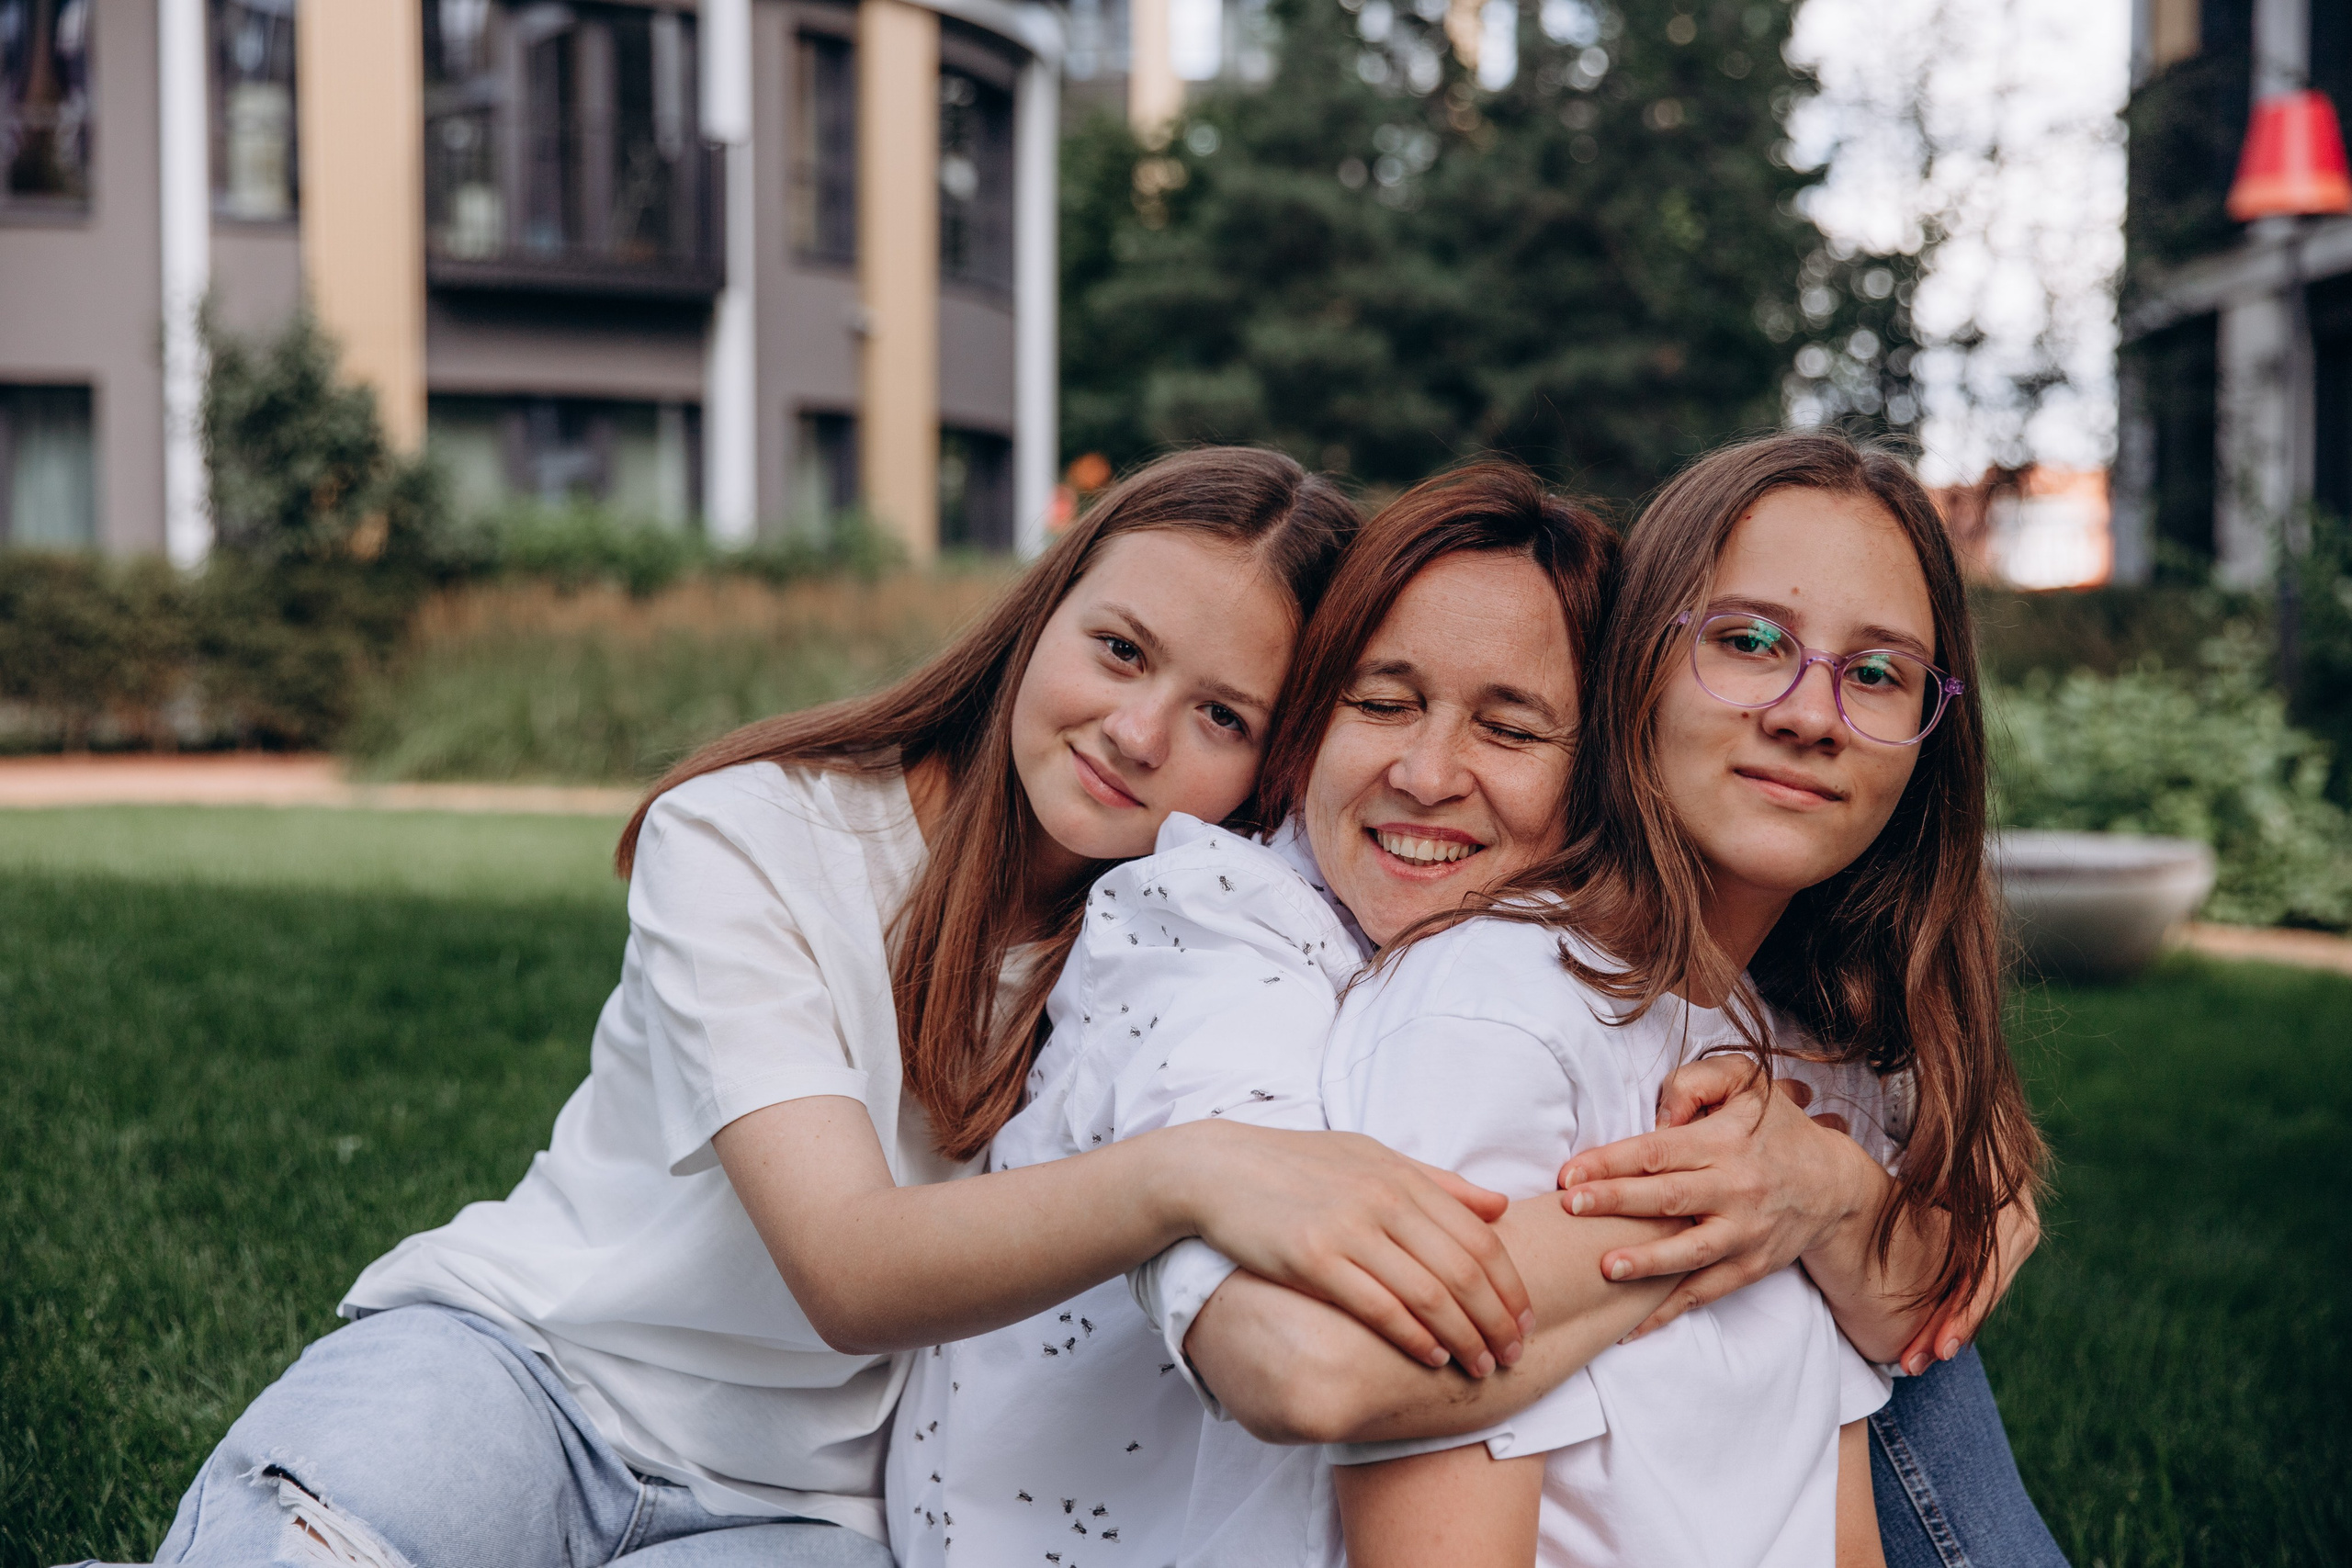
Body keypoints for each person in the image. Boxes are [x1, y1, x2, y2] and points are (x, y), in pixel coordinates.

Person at [119, 448, 1541, 1568]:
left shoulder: (1196, 937)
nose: (1139, 733)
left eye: (1224, 715)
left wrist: (1772, 1145)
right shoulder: (754, 833)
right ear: (1039, 618)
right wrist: (1196, 1173)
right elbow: (849, 1268)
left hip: (807, 1515)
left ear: (1271, 762)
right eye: (1118, 650)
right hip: (531, 1376)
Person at [1157, 434, 2062, 1568]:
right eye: (1746, 641)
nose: (1810, 713)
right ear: (1632, 669)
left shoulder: (1788, 1036)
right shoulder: (1489, 1005)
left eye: (1876, 673)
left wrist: (1839, 1190)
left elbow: (1842, 1462)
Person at [887, 464, 1646, 1568]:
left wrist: (1830, 1184)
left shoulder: (1542, 952)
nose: (1425, 772)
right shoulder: (1210, 924)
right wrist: (1714, 1227)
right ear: (1307, 729)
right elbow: (1300, 1361)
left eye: (1510, 729)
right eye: (1381, 702)